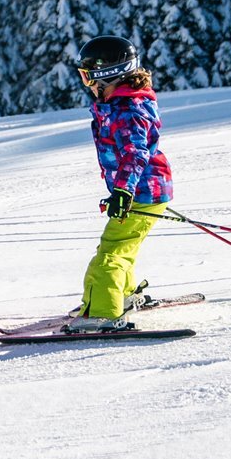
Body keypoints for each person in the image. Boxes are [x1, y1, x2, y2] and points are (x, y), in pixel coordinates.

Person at [69, 35, 173, 333]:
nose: (86, 83)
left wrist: (124, 190)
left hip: (139, 191)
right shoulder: (123, 104)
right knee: (123, 245)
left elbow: (135, 153)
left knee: (110, 253)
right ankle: (123, 295)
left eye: (87, 76)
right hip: (146, 190)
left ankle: (103, 312)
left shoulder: (127, 109)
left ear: (106, 74)